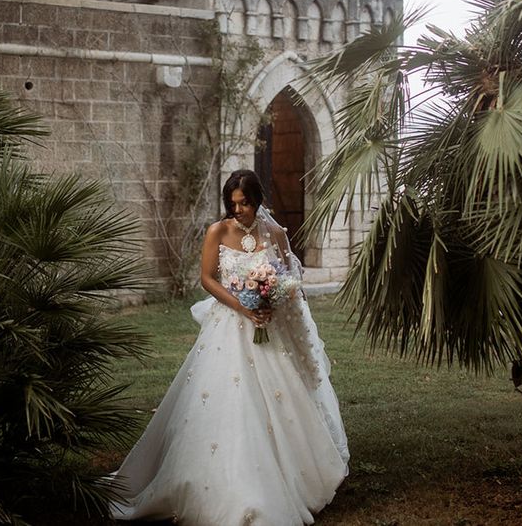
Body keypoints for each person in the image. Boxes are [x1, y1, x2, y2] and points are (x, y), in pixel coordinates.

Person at [109, 169, 349, 525]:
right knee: (229, 402)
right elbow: (206, 278)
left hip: (269, 327)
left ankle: (287, 477)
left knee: (281, 399)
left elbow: (290, 278)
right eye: (233, 204)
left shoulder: (277, 234)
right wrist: (243, 306)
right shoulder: (217, 232)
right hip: (230, 327)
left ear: (257, 201)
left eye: (245, 203)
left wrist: (272, 300)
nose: (239, 210)